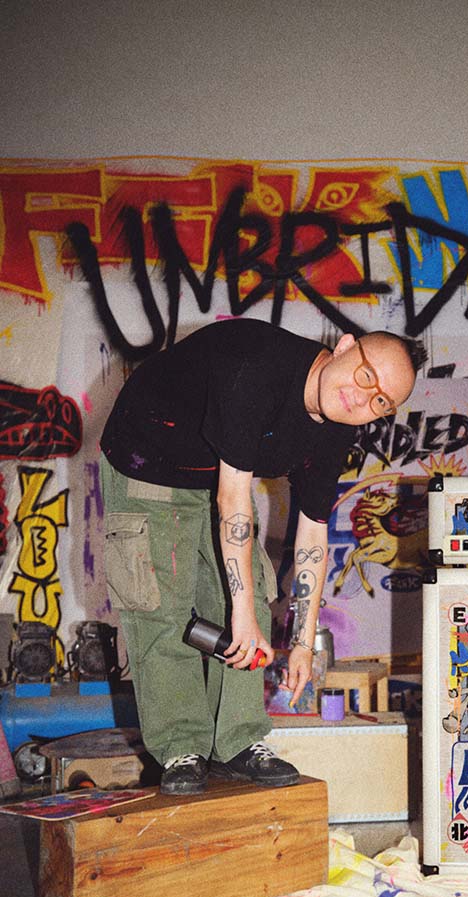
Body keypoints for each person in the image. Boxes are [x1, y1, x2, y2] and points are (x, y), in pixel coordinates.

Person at [99, 318, 425, 794]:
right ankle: (180, 748)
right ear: (344, 347)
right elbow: (234, 501)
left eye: (380, 402)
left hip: (216, 472)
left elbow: (313, 532)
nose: (362, 399)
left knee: (247, 595)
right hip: (148, 458)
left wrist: (303, 644)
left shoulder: (336, 427)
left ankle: (237, 742)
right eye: (366, 375)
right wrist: (243, 615)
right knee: (163, 607)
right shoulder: (256, 367)